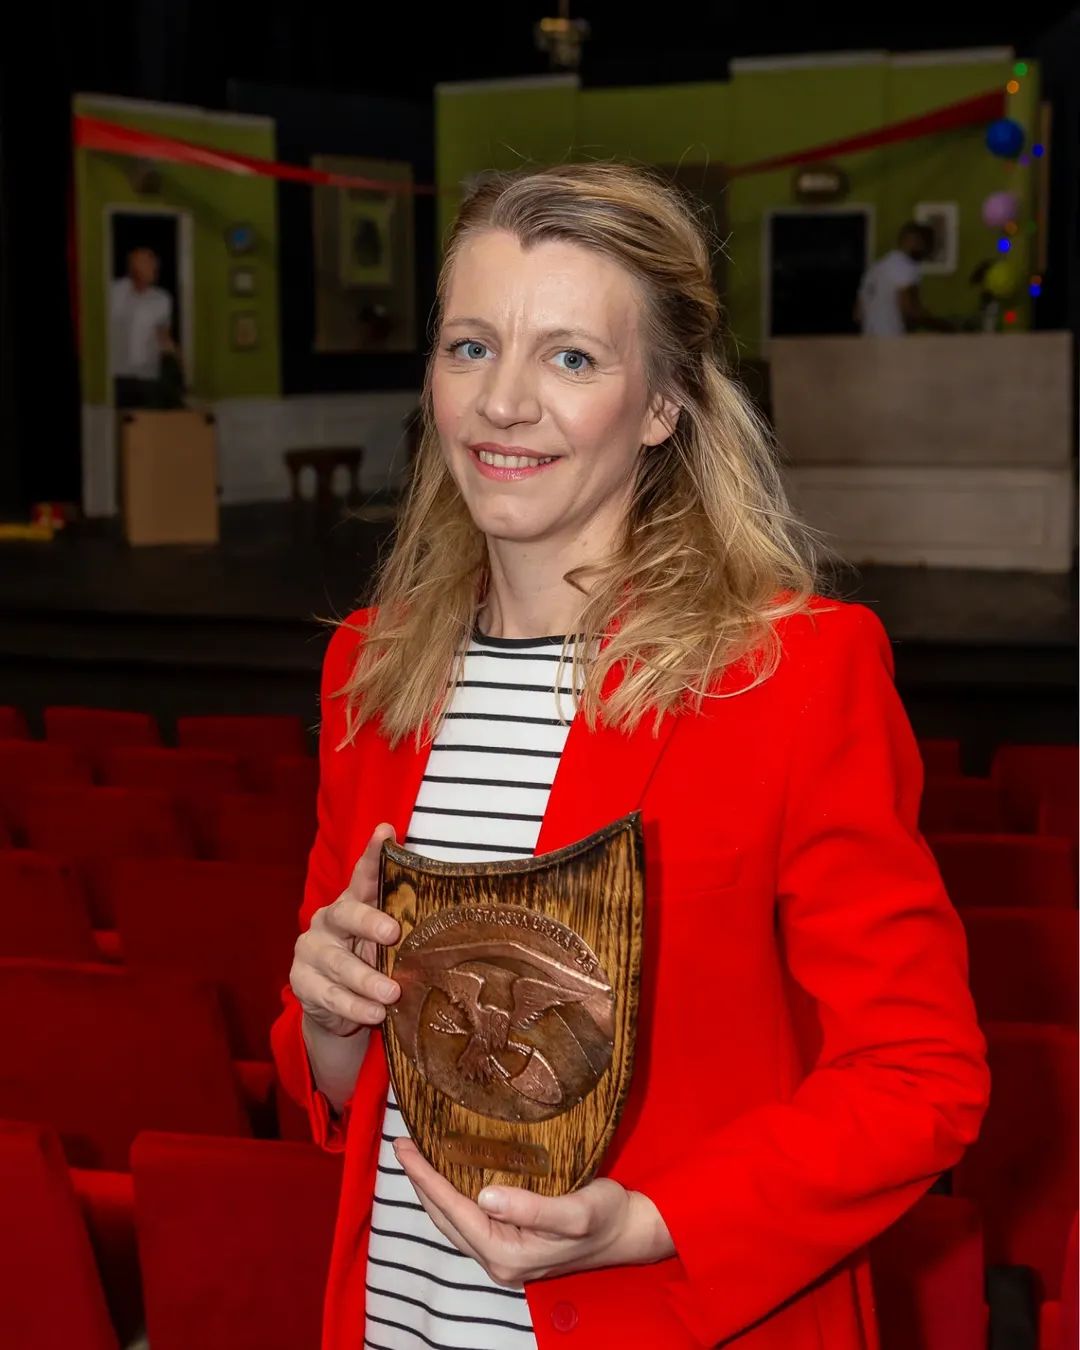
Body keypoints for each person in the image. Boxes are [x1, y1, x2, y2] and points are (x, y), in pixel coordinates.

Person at [272, 163, 989, 1350]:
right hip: (404, 1319)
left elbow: (921, 1078)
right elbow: (352, 1092)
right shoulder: (374, 668)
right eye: (469, 347)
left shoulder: (793, 675)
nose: (504, 403)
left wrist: (652, 1222)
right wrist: (333, 1023)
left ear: (663, 404)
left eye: (570, 358)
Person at [110, 246, 181, 408]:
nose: (155, 268)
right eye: (149, 264)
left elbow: (163, 336)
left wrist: (179, 360)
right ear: (133, 267)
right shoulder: (113, 292)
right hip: (118, 374)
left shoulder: (162, 299)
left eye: (155, 264)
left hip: (148, 375)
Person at [855, 222, 953, 336]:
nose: (928, 249)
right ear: (913, 241)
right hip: (892, 339)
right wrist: (942, 326)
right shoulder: (906, 266)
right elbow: (909, 309)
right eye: (926, 243)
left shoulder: (875, 268)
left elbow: (857, 314)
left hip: (869, 340)